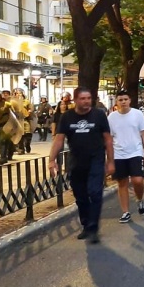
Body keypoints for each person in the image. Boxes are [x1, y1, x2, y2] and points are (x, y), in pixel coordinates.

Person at [49, 87, 114, 243]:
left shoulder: (99, 115)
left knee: (95, 192)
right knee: (81, 196)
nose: (86, 101)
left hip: (96, 159)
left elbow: (107, 139)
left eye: (88, 98)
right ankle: (86, 224)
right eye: (83, 98)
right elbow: (59, 139)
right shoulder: (67, 117)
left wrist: (110, 161)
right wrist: (51, 160)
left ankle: (93, 228)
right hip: (76, 161)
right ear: (76, 100)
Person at [107, 90, 144, 223]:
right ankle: (126, 212)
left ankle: (140, 199)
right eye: (120, 100)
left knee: (138, 180)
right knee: (122, 183)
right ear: (116, 102)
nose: (123, 102)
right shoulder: (111, 117)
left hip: (135, 152)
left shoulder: (137, 114)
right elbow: (109, 138)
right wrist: (109, 158)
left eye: (125, 99)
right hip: (118, 154)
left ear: (129, 100)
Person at [11, 89, 34, 154]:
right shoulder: (13, 102)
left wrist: (29, 112)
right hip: (17, 119)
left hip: (25, 119)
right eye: (16, 93)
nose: (18, 95)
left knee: (28, 134)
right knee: (20, 134)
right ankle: (21, 149)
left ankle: (27, 145)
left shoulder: (26, 101)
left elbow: (30, 108)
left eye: (19, 93)